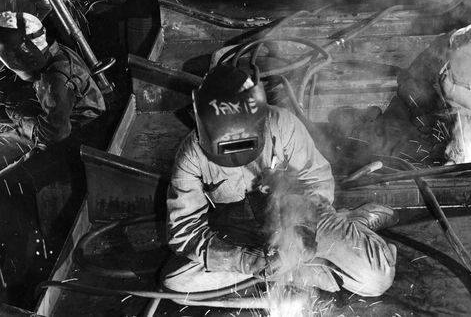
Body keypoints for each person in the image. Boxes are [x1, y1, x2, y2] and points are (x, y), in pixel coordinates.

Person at [161, 64, 397, 297]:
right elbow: (184, 229)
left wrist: (300, 235)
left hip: (301, 217)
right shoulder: (191, 154)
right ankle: (299, 273)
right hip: (240, 232)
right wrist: (244, 261)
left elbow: (316, 182)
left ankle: (349, 224)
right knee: (177, 281)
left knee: (376, 278)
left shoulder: (283, 125)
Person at [0, 11, 106, 303]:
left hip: (79, 146)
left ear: (21, 55)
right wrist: (15, 107)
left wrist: (18, 115)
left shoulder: (53, 80)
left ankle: (11, 265)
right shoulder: (56, 57)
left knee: (6, 183)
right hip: (71, 129)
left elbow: (53, 135)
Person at [329, 21, 471, 165]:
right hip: (428, 115)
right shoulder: (439, 53)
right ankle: (365, 119)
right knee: (387, 150)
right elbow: (408, 88)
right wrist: (436, 123)